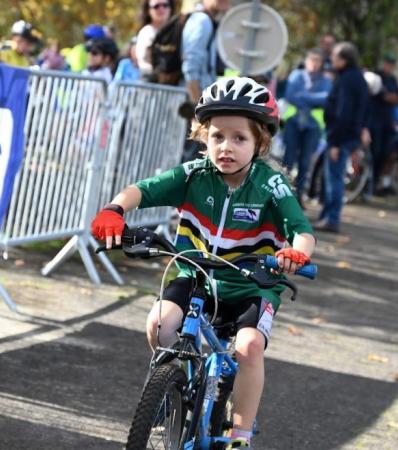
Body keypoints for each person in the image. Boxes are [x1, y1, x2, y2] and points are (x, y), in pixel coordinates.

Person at [91, 77, 315, 450]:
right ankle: (173, 387)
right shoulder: (194, 174)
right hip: (194, 273)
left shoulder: (271, 185)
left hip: (252, 284)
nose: (226, 147)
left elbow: (301, 230)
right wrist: (115, 209)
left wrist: (297, 253)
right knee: (160, 323)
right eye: (217, 136)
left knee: (247, 347)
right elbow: (142, 190)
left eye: (239, 138)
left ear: (259, 143)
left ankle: (240, 435)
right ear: (203, 137)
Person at [317, 42, 369, 233]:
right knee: (332, 177)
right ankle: (326, 216)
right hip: (349, 136)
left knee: (334, 179)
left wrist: (336, 141)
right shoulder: (357, 78)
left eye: (335, 57)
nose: (331, 60)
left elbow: (343, 112)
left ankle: (331, 219)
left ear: (344, 59)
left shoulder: (348, 79)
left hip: (341, 137)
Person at [282, 49, 332, 207]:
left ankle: (299, 195)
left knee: (305, 161)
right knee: (288, 158)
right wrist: (312, 99)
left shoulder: (325, 80)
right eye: (312, 60)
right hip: (293, 122)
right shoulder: (296, 76)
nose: (314, 64)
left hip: (313, 126)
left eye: (318, 61)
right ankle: (283, 194)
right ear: (307, 61)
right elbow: (290, 95)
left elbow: (326, 99)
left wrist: (302, 96)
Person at [368, 52, 398, 195]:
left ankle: (376, 183)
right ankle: (368, 183)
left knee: (385, 153)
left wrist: (390, 97)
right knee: (374, 152)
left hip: (387, 121)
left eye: (392, 65)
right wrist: (389, 97)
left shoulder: (393, 79)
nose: (389, 67)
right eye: (388, 64)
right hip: (374, 120)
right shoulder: (377, 76)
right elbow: (382, 95)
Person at [181, 0, 231, 102]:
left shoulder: (208, 20)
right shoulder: (202, 20)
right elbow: (190, 66)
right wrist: (196, 106)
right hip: (191, 101)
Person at [136, 0, 175, 79]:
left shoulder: (176, 32)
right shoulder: (147, 32)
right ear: (148, 10)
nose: (161, 9)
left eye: (165, 5)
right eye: (156, 6)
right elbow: (146, 61)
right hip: (151, 85)